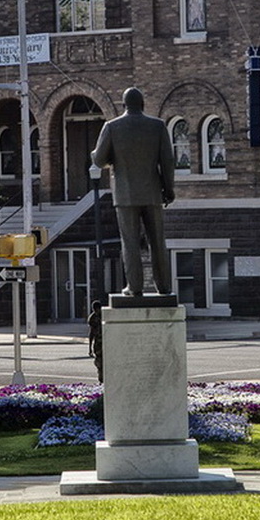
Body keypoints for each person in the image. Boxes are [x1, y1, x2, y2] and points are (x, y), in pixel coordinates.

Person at [91, 87, 175, 296]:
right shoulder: (157, 126)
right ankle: (163, 286)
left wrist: (101, 155)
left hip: (125, 195)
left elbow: (99, 160)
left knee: (129, 243)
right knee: (158, 241)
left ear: (124, 105)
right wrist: (168, 188)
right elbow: (167, 161)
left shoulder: (112, 127)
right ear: (142, 104)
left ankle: (134, 287)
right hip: (153, 193)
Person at [87, 300, 103, 382]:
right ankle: (101, 379)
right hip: (98, 343)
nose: (96, 311)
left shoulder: (105, 315)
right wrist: (89, 347)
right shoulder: (92, 318)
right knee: (99, 362)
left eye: (97, 309)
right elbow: (91, 333)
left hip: (107, 342)